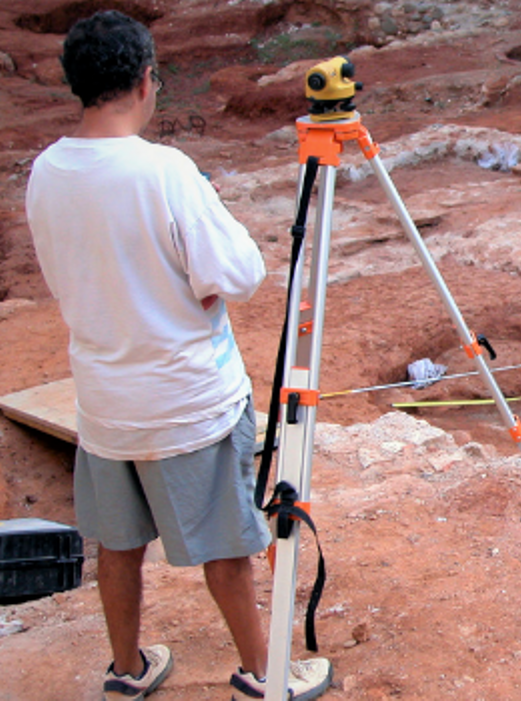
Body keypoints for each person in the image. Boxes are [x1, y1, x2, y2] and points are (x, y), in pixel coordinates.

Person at [24, 11, 332, 701]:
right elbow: (241, 273)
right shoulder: (163, 171)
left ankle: (128, 667)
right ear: (144, 80)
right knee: (225, 545)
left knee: (117, 544)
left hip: (103, 404)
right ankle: (264, 670)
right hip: (187, 400)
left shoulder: (46, 171)